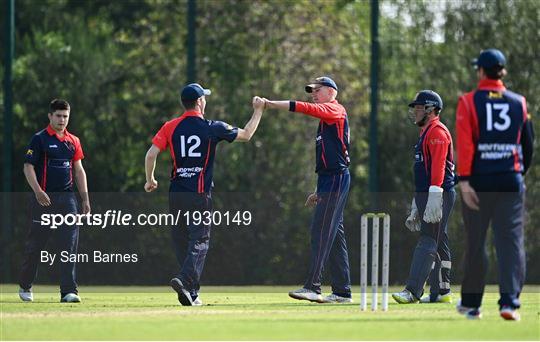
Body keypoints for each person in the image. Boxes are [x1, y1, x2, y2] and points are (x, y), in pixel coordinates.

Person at [144, 83, 265, 306]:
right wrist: (258, 110)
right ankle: (184, 279)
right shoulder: (212, 127)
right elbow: (247, 135)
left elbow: (151, 154)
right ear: (200, 102)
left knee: (182, 241)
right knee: (199, 240)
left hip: (176, 194)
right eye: (205, 98)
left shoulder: (170, 127)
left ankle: (191, 292)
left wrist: (150, 180)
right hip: (198, 194)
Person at [456, 49, 534, 320]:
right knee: (510, 241)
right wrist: (516, 173)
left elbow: (465, 146)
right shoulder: (519, 102)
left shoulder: (468, 102)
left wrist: (464, 181)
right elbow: (528, 145)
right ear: (502, 71)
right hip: (510, 179)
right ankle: (509, 303)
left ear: (481, 71)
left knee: (476, 242)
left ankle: (472, 304)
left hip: (478, 181)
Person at [263, 76, 352, 304]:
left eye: (317, 90)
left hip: (336, 179)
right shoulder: (325, 121)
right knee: (334, 234)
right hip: (328, 180)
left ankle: (313, 287)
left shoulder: (335, 110)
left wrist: (271, 104)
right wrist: (317, 188)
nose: (313, 94)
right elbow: (327, 158)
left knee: (320, 231)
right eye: (312, 91)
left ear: (332, 92)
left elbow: (304, 108)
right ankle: (342, 291)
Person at [19, 99, 91, 303]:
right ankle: (25, 284)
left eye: (65, 116)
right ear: (50, 116)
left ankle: (69, 291)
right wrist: (38, 191)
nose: (62, 120)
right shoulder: (39, 139)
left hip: (68, 200)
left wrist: (85, 199)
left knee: (69, 246)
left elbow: (78, 170)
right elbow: (28, 167)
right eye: (58, 116)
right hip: (43, 200)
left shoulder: (73, 141)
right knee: (35, 246)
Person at [392, 90, 456, 305]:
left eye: (419, 108)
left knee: (428, 239)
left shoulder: (437, 132)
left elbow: (438, 167)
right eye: (415, 108)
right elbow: (423, 171)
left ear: (432, 110)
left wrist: (434, 195)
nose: (415, 111)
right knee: (440, 241)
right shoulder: (425, 132)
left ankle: (412, 291)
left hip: (439, 193)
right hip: (428, 193)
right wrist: (417, 202)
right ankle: (442, 291)